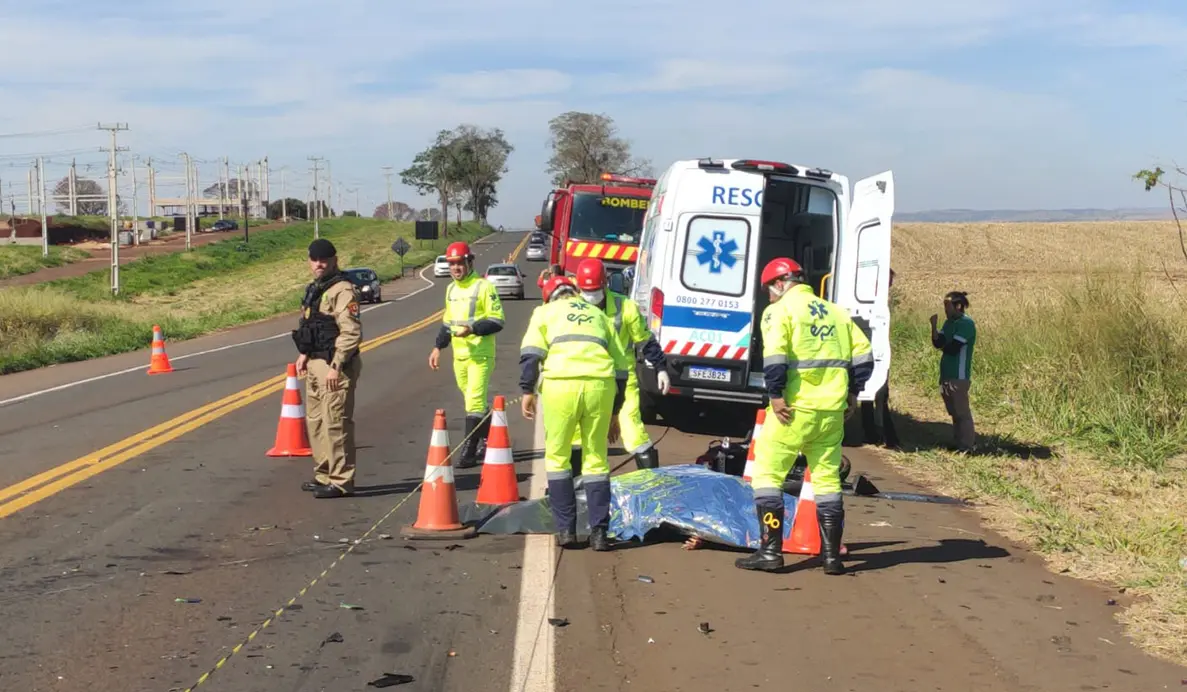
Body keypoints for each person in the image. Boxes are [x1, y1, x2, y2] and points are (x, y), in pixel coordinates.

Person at [736, 258, 873, 575]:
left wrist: (776, 394)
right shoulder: (837, 313)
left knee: (767, 477)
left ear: (781, 283)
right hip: (831, 412)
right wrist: (853, 392)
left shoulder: (780, 312)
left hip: (792, 411)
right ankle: (831, 557)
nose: (769, 296)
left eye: (770, 289)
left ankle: (770, 552)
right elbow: (864, 354)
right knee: (826, 480)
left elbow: (775, 355)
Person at [520, 275, 632, 551]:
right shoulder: (598, 314)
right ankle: (599, 533)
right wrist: (616, 412)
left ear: (550, 296)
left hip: (561, 386)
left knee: (558, 458)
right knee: (596, 459)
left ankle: (566, 530)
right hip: (600, 385)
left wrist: (527, 391)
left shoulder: (544, 312)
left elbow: (531, 354)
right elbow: (621, 369)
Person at [569, 258, 671, 471]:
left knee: (632, 429)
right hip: (584, 379)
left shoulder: (625, 307)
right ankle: (573, 487)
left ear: (605, 284)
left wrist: (661, 368)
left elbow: (644, 340)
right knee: (577, 435)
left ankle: (651, 482)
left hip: (621, 380)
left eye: (595, 289)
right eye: (586, 290)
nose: (591, 295)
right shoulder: (570, 309)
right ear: (578, 287)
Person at [291, 238, 364, 499]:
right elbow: (312, 326)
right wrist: (304, 354)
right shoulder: (316, 288)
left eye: (324, 259)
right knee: (317, 423)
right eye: (314, 259)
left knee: (336, 423)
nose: (319, 264)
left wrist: (337, 365)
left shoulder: (343, 290)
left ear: (335, 260)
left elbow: (351, 331)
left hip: (335, 366)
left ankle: (341, 480)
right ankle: (324, 474)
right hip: (315, 362)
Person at [428, 241, 505, 468]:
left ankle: (469, 452)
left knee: (474, 401)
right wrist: (437, 348)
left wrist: (473, 329)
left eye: (459, 263)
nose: (455, 268)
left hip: (480, 354)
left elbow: (497, 320)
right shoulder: (450, 290)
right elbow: (447, 323)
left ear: (469, 262)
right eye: (451, 264)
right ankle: (494, 432)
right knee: (473, 404)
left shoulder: (484, 287)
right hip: (459, 356)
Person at [931, 291, 976, 452]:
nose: (945, 310)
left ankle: (967, 446)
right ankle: (959, 443)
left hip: (959, 376)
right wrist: (934, 327)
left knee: (962, 413)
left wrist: (942, 343)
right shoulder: (948, 324)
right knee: (954, 412)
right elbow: (938, 343)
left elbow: (952, 348)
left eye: (947, 306)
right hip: (946, 374)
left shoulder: (966, 324)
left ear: (958, 306)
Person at [861, 268, 900, 448]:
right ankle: (881, 435)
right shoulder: (875, 301)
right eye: (888, 281)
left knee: (876, 396)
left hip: (877, 352)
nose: (890, 285)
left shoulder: (875, 299)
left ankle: (876, 433)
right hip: (871, 352)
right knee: (877, 396)